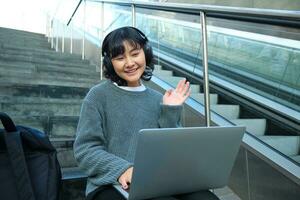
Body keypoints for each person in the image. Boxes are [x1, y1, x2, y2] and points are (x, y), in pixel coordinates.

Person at [74, 26, 219, 200]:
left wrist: (170, 110)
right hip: (111, 183)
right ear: (109, 63)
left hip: (159, 179)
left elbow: (172, 151)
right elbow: (85, 150)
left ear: (146, 53)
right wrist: (124, 169)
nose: (129, 63)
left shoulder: (159, 99)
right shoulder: (98, 96)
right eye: (120, 58)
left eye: (135, 54)